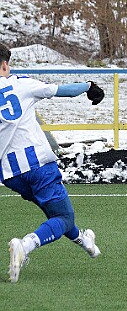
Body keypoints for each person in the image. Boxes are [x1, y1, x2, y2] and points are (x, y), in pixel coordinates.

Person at [0, 43, 104, 283]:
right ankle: (24, 246)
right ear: (5, 64)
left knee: (57, 216)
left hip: (11, 175)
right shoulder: (21, 83)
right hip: (38, 166)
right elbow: (61, 90)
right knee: (63, 218)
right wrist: (88, 87)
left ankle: (86, 241)